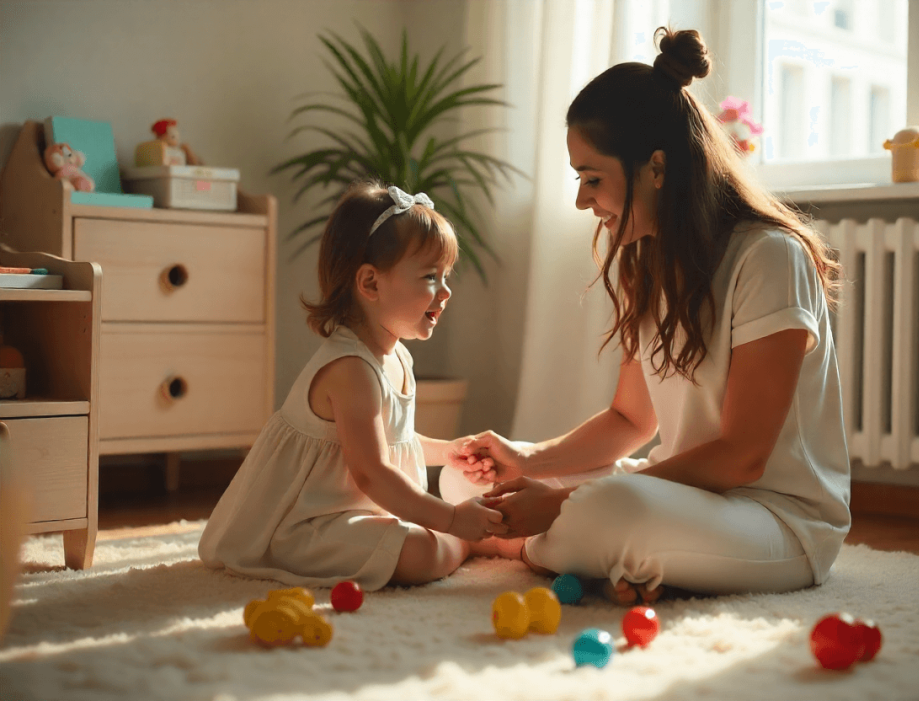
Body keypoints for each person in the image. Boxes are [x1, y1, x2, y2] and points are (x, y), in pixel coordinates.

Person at [442, 28, 850, 605]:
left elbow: (743, 455)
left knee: (610, 509)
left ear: (656, 167)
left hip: (776, 521)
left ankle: (515, 546)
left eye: (592, 179)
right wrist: (526, 458)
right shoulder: (647, 260)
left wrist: (558, 504)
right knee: (469, 480)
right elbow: (629, 420)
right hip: (685, 499)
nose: (583, 201)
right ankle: (581, 551)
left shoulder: (769, 258)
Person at [199, 181, 508, 590]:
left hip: (351, 513)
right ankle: (467, 545)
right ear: (371, 284)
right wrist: (451, 520)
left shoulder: (396, 355)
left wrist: (446, 452)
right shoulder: (351, 370)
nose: (446, 292)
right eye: (431, 277)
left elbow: (389, 439)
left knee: (420, 533)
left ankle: (461, 540)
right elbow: (372, 472)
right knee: (419, 551)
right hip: (301, 525)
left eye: (446, 276)